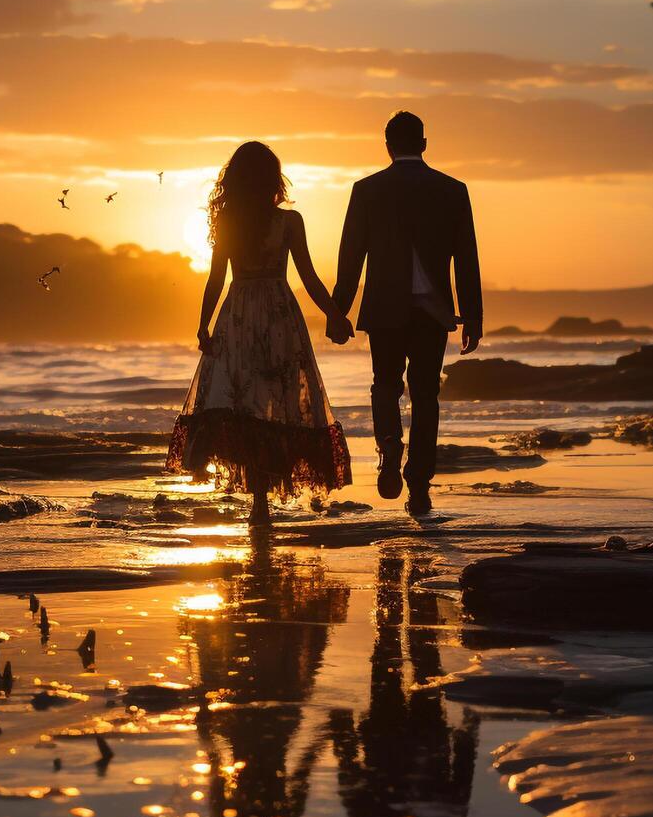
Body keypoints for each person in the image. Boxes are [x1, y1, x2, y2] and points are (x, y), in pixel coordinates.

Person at [166, 141, 353, 523]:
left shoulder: (230, 221)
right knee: (275, 400)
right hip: (279, 314)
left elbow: (216, 278)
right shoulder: (288, 220)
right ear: (272, 178)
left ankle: (259, 502)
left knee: (243, 405)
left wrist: (203, 324)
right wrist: (334, 315)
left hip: (237, 314)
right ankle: (262, 499)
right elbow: (309, 277)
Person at [331, 111, 483, 517]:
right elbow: (466, 258)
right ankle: (419, 485)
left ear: (387, 146)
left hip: (384, 308)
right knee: (426, 395)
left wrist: (337, 311)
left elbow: (351, 257)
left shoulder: (367, 190)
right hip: (433, 311)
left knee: (385, 386)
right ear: (424, 144)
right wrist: (472, 316)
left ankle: (388, 445)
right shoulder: (453, 190)